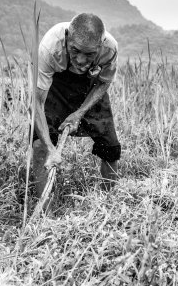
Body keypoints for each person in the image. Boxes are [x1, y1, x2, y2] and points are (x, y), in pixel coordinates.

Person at [32, 13, 121, 198]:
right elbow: (37, 103)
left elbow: (104, 82)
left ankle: (111, 201)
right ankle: (45, 212)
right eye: (75, 50)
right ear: (67, 38)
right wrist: (50, 149)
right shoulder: (50, 47)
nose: (80, 60)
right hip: (55, 86)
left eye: (89, 54)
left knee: (109, 146)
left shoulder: (110, 48)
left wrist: (79, 112)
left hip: (90, 86)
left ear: (100, 44)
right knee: (40, 144)